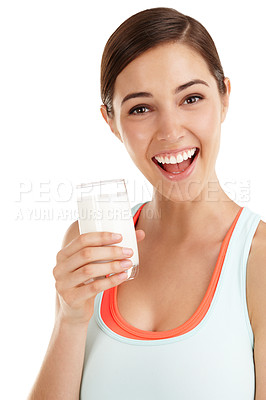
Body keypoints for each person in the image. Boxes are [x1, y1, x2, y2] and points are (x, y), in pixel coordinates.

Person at [28, 7, 266, 400]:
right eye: (141, 108)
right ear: (111, 122)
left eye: (191, 98)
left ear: (224, 97)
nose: (171, 131)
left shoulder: (257, 260)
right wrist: (70, 320)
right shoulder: (94, 243)